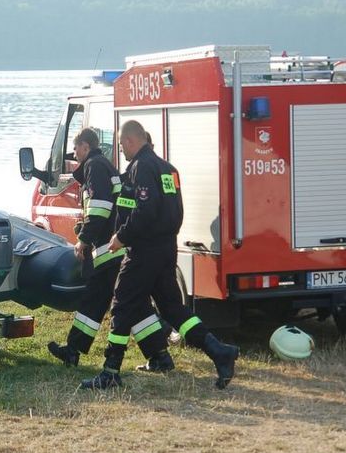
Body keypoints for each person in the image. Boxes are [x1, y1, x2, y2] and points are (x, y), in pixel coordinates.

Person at [81, 120, 239, 390]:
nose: (121, 150)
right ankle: (219, 352)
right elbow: (170, 210)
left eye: (121, 145)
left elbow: (145, 210)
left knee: (121, 303)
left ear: (131, 141)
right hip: (166, 248)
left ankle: (110, 371)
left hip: (145, 250)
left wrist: (122, 236)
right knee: (172, 308)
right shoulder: (168, 169)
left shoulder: (142, 168)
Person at [47, 128, 126, 366]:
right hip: (112, 248)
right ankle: (73, 350)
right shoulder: (103, 166)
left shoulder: (94, 167)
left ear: (86, 146)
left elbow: (100, 208)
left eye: (75, 146)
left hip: (107, 249)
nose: (73, 152)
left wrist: (84, 239)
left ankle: (73, 351)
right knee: (103, 300)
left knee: (105, 300)